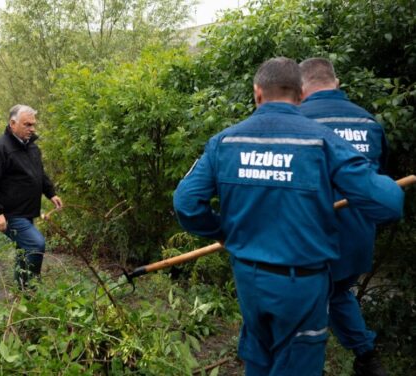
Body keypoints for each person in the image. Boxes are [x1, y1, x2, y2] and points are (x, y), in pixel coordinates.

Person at [173, 57, 404, 375]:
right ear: (300, 95)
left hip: (248, 280)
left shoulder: (225, 141)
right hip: (302, 286)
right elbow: (388, 202)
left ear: (257, 93)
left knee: (258, 356)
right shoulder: (321, 141)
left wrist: (223, 231)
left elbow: (186, 203)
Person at [299, 57, 389, 376]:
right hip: (357, 239)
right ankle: (367, 356)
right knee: (338, 293)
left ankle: (310, 366)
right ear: (336, 83)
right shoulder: (368, 122)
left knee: (305, 303)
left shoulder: (296, 121)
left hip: (311, 238)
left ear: (301, 89)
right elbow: (378, 185)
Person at [0, 104, 63, 288]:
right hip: (10, 213)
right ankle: (31, 287)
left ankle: (22, 288)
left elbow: (39, 173)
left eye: (33, 124)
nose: (32, 129)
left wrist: (51, 193)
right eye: (27, 124)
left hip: (26, 211)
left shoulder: (31, 147)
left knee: (24, 249)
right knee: (35, 244)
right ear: (12, 123)